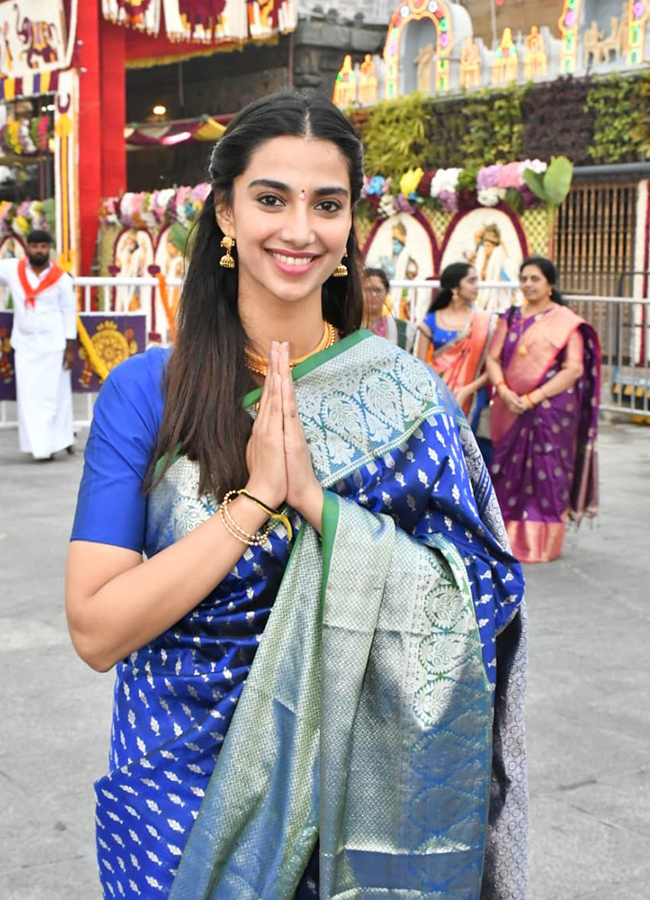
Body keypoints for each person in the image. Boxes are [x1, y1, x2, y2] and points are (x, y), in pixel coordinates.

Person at [66, 92, 527, 900]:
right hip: (176, 801)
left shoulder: (403, 399)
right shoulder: (147, 394)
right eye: (271, 198)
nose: (299, 229)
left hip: (357, 801)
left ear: (351, 226)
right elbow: (97, 629)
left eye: (327, 204)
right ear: (227, 212)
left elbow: (480, 599)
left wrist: (319, 506)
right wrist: (256, 501)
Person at [486, 256, 600, 564]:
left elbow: (574, 369)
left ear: (550, 284)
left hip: (551, 412)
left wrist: (534, 398)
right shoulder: (510, 317)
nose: (528, 284)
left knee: (547, 473)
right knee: (506, 472)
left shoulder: (565, 321)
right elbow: (493, 358)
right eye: (524, 278)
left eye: (535, 278)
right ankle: (503, 538)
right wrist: (505, 390)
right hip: (510, 407)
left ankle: (542, 544)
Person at [0, 229, 76, 460]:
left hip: (53, 345)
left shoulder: (61, 279)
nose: (39, 251)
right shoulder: (13, 269)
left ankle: (57, 443)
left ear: (49, 249)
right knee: (30, 400)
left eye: (43, 246)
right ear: (27, 248)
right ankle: (40, 447)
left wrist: (70, 348)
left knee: (55, 397)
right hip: (24, 345)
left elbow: (69, 312)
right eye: (35, 246)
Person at [415, 262, 496, 460]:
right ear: (454, 288)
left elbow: (493, 366)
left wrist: (468, 389)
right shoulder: (431, 321)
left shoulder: (484, 322)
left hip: (474, 399)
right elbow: (418, 365)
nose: (477, 285)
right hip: (437, 396)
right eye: (471, 280)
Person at [362, 265, 415, 350]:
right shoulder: (349, 327)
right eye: (367, 290)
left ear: (386, 293)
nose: (373, 295)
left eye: (378, 290)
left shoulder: (403, 330)